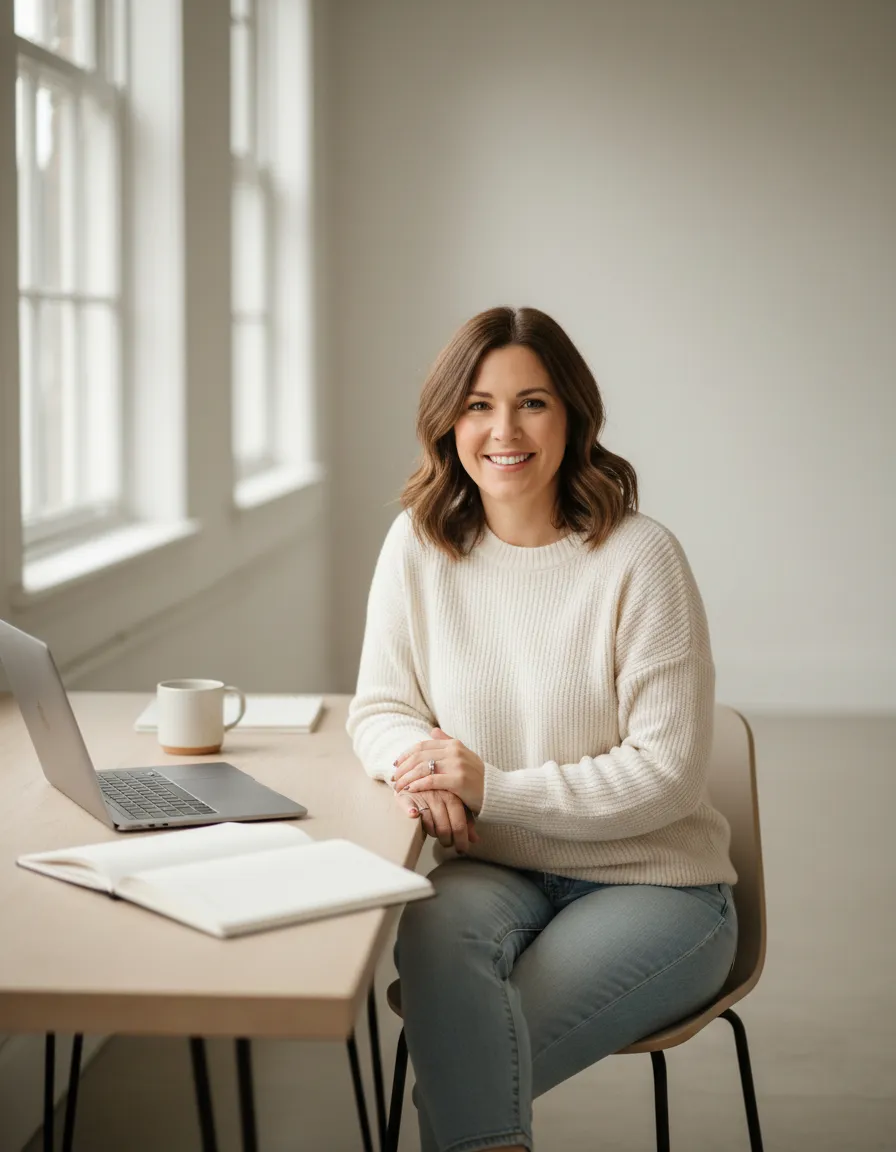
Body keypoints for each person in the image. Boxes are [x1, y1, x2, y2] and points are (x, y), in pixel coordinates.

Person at [346, 306, 737, 1152]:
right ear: (450, 421)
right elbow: (380, 707)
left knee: (466, 1061)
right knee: (433, 940)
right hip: (493, 866)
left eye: (532, 403)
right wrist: (424, 774)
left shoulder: (642, 558)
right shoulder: (417, 545)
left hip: (653, 886)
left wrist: (489, 786)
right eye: (479, 404)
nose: (503, 430)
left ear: (572, 418)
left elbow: (666, 773)